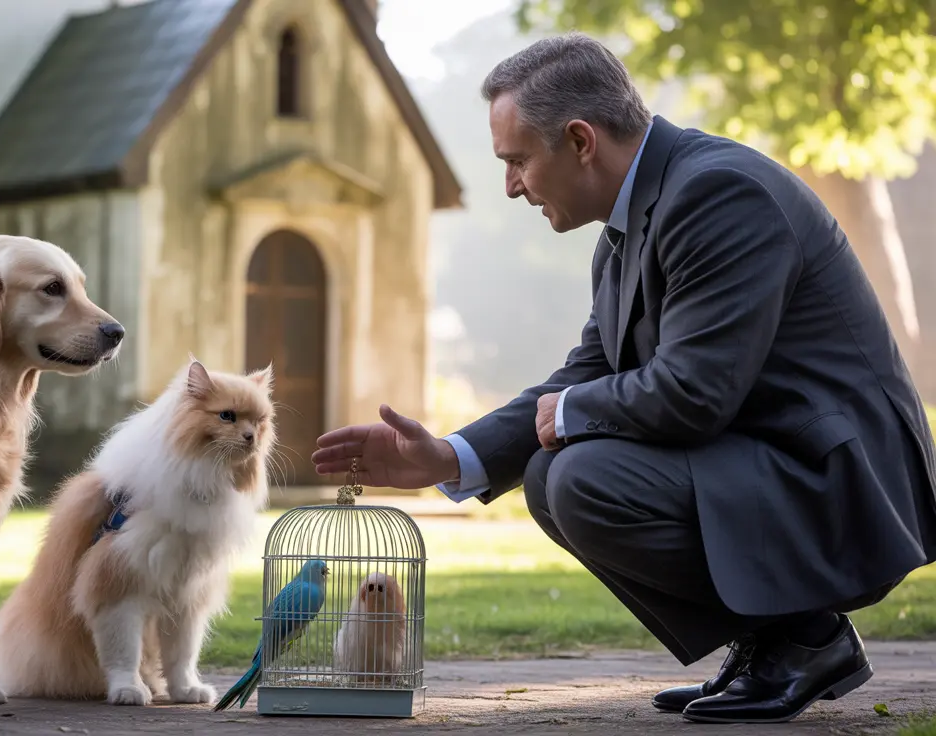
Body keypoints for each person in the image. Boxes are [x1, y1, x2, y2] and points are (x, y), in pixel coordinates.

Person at [311, 31, 936, 724]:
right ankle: (778, 640)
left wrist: (573, 411)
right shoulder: (628, 230)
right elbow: (589, 371)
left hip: (839, 481)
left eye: (517, 160)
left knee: (580, 480)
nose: (511, 185)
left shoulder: (718, 195)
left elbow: (695, 393)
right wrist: (448, 457)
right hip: (764, 459)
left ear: (580, 140)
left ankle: (806, 637)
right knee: (553, 478)